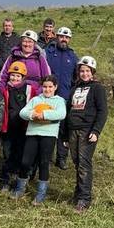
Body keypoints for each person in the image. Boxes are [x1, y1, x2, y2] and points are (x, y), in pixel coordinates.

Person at [62, 56, 108, 212]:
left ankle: (84, 199)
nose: (84, 73)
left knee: (84, 164)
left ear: (92, 72)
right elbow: (68, 110)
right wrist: (64, 135)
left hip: (87, 130)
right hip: (72, 129)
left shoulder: (98, 88)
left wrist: (96, 131)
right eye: (82, 71)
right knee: (77, 163)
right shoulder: (74, 88)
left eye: (87, 71)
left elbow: (102, 112)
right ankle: (78, 193)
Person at [13, 74, 66, 205]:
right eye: (45, 87)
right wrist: (32, 115)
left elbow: (61, 114)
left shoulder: (59, 101)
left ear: (55, 87)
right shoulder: (36, 100)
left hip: (49, 135)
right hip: (33, 133)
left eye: (50, 87)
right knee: (25, 162)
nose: (47, 90)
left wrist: (44, 114)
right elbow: (22, 112)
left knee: (44, 163)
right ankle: (20, 189)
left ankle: (40, 194)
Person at [0, 61, 39, 192]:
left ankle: (18, 179)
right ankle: (6, 180)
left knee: (21, 154)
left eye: (18, 76)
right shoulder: (5, 90)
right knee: (8, 153)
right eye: (13, 75)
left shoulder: (29, 90)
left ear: (23, 77)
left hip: (24, 129)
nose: (15, 78)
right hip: (8, 128)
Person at [45, 26, 78, 170]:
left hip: (65, 97)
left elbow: (76, 78)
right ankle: (46, 156)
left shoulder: (73, 56)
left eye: (67, 37)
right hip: (49, 97)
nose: (64, 39)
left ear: (69, 39)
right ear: (56, 37)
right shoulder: (48, 53)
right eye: (61, 36)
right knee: (47, 125)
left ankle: (62, 158)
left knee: (64, 129)